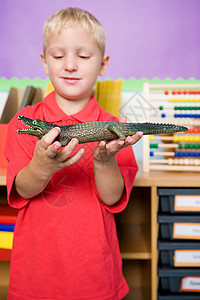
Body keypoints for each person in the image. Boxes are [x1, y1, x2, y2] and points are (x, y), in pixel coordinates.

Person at [4, 7, 142, 300]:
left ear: (103, 64)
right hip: (35, 279)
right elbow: (23, 190)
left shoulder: (114, 128)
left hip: (95, 277)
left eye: (83, 56)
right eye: (58, 56)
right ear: (44, 62)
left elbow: (113, 197)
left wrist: (104, 160)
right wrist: (41, 165)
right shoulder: (23, 123)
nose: (70, 65)